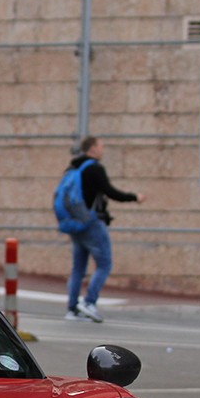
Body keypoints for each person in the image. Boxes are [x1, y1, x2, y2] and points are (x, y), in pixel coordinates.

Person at [61, 136, 142, 322]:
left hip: (76, 223)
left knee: (78, 268)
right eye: (100, 146)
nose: (102, 149)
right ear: (92, 148)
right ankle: (89, 302)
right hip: (92, 223)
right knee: (104, 264)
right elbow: (111, 192)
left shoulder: (73, 167)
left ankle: (72, 309)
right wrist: (134, 197)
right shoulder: (94, 168)